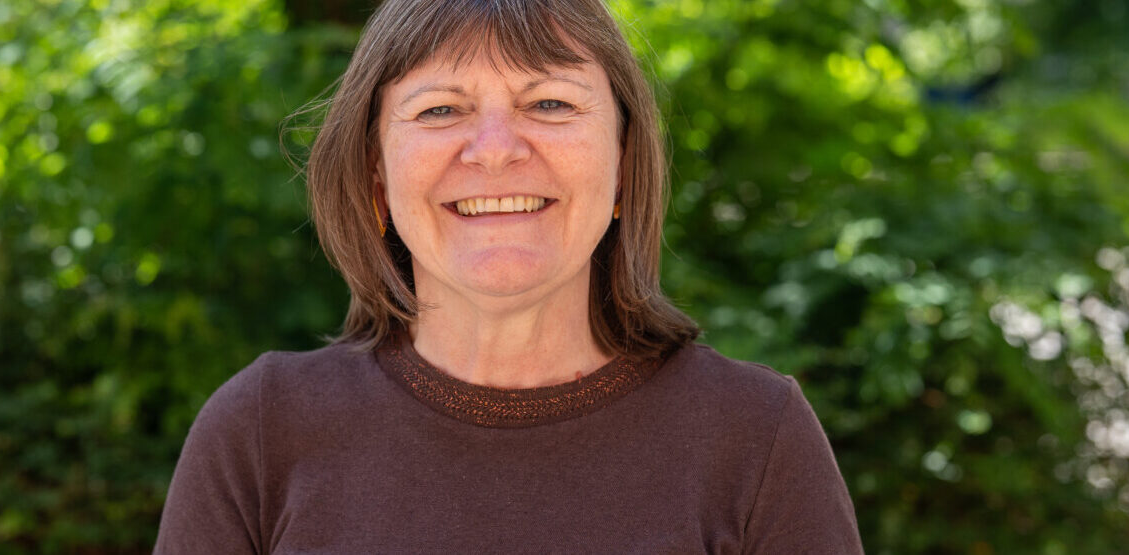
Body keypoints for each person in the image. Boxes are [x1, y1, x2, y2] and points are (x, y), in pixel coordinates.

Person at [154, 0, 863, 552]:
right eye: (440, 110)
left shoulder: (756, 438)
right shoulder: (258, 432)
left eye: (549, 103)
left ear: (623, 164)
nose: (494, 150)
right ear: (375, 178)